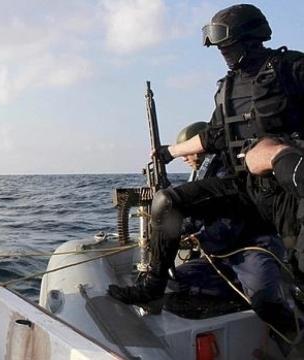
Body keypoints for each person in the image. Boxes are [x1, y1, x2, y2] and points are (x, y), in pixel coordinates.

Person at [108, 3, 304, 341]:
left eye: (226, 45)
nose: (223, 53)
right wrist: (170, 151)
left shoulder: (293, 68)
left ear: (250, 38)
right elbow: (214, 136)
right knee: (166, 202)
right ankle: (152, 286)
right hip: (243, 189)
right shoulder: (227, 87)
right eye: (219, 47)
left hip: (287, 190)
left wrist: (284, 151)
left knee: (285, 289)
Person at [164, 123, 292, 333]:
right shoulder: (200, 174)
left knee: (264, 302)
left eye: (188, 151)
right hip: (221, 256)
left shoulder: (228, 171)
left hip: (252, 248)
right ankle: (236, 292)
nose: (184, 157)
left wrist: (198, 239)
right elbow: (199, 216)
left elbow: (228, 225)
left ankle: (292, 332)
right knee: (174, 281)